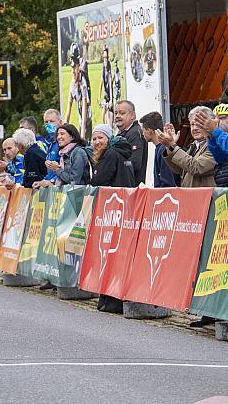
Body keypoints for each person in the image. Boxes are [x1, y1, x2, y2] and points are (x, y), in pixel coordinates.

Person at [89, 124, 135, 313]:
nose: (97, 142)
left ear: (109, 139)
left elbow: (100, 180)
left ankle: (110, 301)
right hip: (121, 210)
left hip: (112, 211)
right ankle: (108, 300)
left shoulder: (110, 155)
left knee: (110, 256)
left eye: (101, 138)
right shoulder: (121, 155)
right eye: (94, 139)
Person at [158, 107, 216, 187]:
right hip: (192, 196)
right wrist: (170, 146)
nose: (195, 128)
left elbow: (197, 167)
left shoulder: (214, 145)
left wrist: (173, 145)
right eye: (192, 124)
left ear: (209, 124)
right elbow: (180, 169)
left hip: (207, 197)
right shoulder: (194, 146)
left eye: (199, 124)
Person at [33, 124, 91, 188]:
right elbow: (64, 179)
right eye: (57, 134)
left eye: (62, 134)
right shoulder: (64, 153)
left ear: (72, 137)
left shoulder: (78, 152)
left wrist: (56, 169)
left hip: (78, 195)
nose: (58, 137)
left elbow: (74, 181)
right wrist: (49, 181)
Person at [139, 111, 177, 188]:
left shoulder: (163, 150)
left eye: (143, 130)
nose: (142, 134)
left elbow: (167, 182)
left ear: (149, 131)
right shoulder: (160, 149)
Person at [114, 100, 147, 185]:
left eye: (122, 113)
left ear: (133, 115)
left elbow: (135, 164)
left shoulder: (135, 134)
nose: (117, 116)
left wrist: (114, 165)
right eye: (116, 113)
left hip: (132, 189)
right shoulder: (122, 133)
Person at [98, 46, 115, 128]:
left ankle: (110, 128)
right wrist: (99, 97)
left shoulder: (109, 71)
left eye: (106, 58)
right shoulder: (103, 70)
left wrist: (111, 99)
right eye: (104, 58)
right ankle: (103, 127)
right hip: (105, 95)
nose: (105, 60)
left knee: (110, 114)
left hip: (110, 96)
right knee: (103, 111)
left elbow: (110, 86)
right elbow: (101, 85)